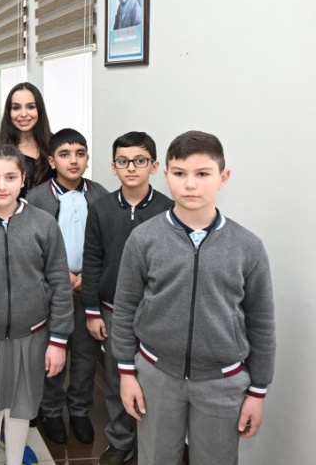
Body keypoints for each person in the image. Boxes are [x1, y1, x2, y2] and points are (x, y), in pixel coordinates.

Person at [112, 131, 276, 465]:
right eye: (180, 173)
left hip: (222, 382)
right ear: (166, 174)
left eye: (202, 173)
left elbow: (261, 323)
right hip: (156, 376)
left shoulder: (248, 247)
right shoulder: (144, 239)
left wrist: (257, 391)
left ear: (223, 178)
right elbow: (126, 307)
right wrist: (127, 372)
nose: (190, 184)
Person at [0, 144, 73, 465]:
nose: (2, 186)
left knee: (21, 407)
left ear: (23, 180)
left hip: (32, 336)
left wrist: (58, 341)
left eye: (10, 177)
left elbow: (60, 284)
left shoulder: (44, 224)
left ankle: (16, 458)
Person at [81, 131, 172, 465]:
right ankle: (120, 440)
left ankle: (152, 444)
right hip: (112, 310)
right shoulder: (101, 208)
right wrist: (92, 311)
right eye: (123, 161)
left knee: (155, 382)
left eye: (139, 160)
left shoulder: (168, 210)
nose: (131, 167)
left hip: (155, 313)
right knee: (118, 376)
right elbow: (92, 260)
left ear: (154, 166)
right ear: (113, 167)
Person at [25, 129, 108, 446]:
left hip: (89, 287)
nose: (73, 161)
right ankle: (51, 411)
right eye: (64, 154)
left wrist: (88, 276)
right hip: (52, 290)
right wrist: (61, 276)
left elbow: (107, 244)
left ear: (87, 158)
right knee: (52, 354)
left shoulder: (100, 195)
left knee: (86, 357)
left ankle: (80, 411)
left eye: (80, 154)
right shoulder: (36, 198)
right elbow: (31, 248)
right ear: (51, 161)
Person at [0, 83, 53, 197]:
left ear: (39, 110)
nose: (23, 114)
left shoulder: (55, 146)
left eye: (31, 107)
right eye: (16, 108)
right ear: (9, 112)